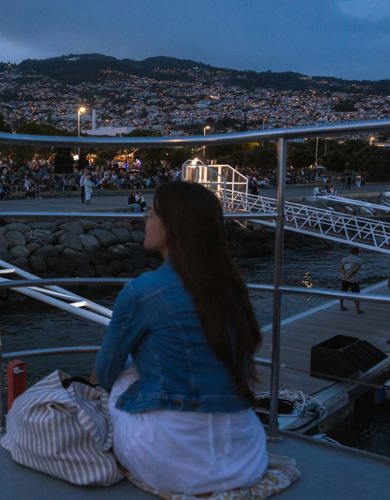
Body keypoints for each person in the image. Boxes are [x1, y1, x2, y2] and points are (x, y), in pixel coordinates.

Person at [95, 181, 267, 495]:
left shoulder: (142, 291)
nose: (145, 220)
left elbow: (105, 372)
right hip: (244, 457)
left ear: (171, 227)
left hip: (169, 461)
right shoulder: (231, 286)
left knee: (127, 371)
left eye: (150, 214)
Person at [339, 247, 363, 314]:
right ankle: (357, 310)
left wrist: (345, 275)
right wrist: (349, 276)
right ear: (357, 252)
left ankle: (341, 306)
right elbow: (355, 270)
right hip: (353, 280)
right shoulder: (358, 260)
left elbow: (340, 268)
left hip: (344, 278)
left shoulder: (344, 259)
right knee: (356, 294)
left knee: (342, 292)